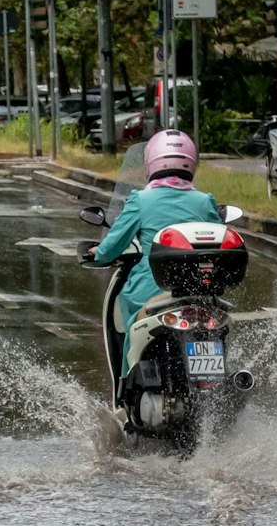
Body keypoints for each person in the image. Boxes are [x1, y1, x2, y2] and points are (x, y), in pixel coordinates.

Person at [87, 130, 222, 372]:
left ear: (151, 162)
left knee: (130, 315)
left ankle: (130, 382)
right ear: (191, 162)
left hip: (150, 291)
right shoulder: (205, 201)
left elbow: (112, 246)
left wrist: (98, 252)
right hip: (200, 289)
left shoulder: (140, 200)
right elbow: (218, 241)